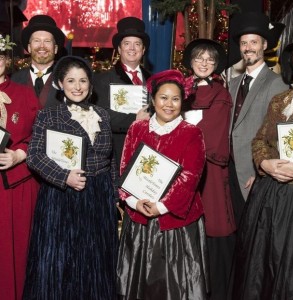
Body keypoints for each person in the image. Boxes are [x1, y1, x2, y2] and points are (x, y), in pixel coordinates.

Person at [22, 56, 118, 299]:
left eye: (83, 80)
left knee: (95, 262)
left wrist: (115, 195)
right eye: (71, 80)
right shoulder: (49, 116)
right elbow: (34, 156)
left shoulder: (102, 115)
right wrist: (64, 177)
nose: (78, 86)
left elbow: (111, 159)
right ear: (60, 84)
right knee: (61, 262)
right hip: (61, 198)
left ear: (90, 84)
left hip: (98, 197)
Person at [117, 69, 209, 300]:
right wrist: (134, 201)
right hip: (140, 218)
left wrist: (162, 207)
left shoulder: (191, 133)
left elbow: (190, 176)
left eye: (175, 99)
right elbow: (125, 169)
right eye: (163, 98)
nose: (169, 104)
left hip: (175, 223)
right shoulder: (136, 129)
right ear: (153, 99)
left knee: (175, 287)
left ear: (183, 102)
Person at [231, 39, 293, 299]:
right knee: (261, 268)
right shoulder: (281, 99)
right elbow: (260, 139)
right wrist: (264, 163)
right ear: (292, 60)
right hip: (270, 194)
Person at [182, 39, 236, 300]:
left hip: (209, 172)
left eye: (210, 59)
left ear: (215, 64)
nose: (203, 63)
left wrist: (177, 138)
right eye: (198, 58)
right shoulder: (178, 89)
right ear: (190, 61)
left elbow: (212, 136)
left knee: (210, 227)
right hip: (177, 168)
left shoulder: (221, 94)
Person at [228, 12, 287, 225]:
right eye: (244, 43)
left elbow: (279, 132)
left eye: (254, 42)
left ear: (264, 45)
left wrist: (261, 169)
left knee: (253, 234)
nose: (248, 47)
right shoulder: (233, 84)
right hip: (229, 172)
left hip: (254, 172)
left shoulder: (277, 83)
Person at [0, 34, 40, 300]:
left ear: (5, 61)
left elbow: (38, 137)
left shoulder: (25, 95)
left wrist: (18, 155)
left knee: (14, 254)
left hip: (15, 187)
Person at [93, 16, 151, 171]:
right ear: (119, 49)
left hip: (147, 152)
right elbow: (102, 115)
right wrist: (135, 119)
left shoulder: (154, 80)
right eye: (127, 43)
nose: (132, 48)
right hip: (116, 152)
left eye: (137, 44)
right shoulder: (103, 80)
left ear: (143, 49)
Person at [11, 14, 65, 108]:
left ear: (55, 48)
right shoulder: (15, 80)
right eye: (36, 41)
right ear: (29, 47)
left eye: (47, 41)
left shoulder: (67, 79)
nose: (42, 46)